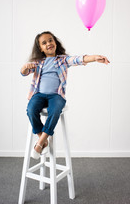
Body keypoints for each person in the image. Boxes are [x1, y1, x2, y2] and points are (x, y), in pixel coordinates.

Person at [20, 31, 110, 159]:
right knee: (31, 109)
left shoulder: (63, 60)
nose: (48, 44)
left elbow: (79, 59)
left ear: (55, 42)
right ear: (40, 48)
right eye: (44, 43)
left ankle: (40, 142)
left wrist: (94, 57)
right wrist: (25, 67)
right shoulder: (38, 62)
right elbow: (24, 72)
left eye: (50, 40)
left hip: (56, 96)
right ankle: (43, 139)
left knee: (55, 110)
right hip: (38, 94)